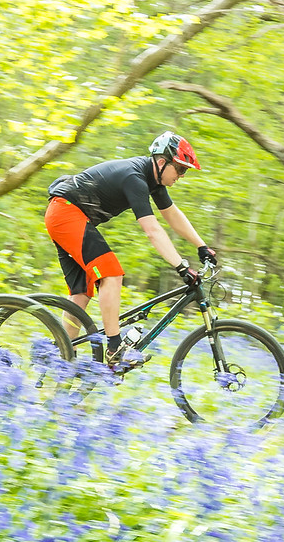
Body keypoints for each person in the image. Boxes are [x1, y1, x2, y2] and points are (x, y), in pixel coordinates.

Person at [44, 131, 217, 371]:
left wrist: (201, 246)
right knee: (112, 274)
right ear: (161, 162)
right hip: (66, 213)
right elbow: (152, 230)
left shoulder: (152, 180)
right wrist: (180, 266)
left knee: (81, 294)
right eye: (180, 169)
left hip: (66, 215)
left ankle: (59, 356)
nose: (182, 175)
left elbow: (172, 214)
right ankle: (115, 349)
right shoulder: (135, 178)